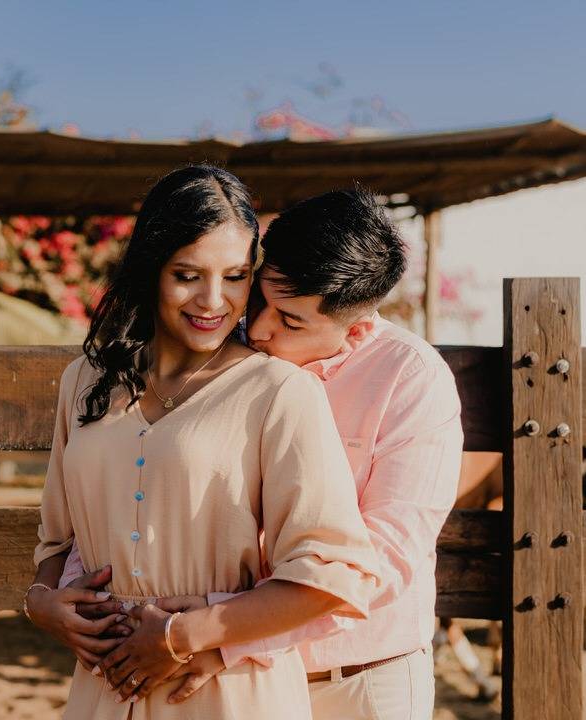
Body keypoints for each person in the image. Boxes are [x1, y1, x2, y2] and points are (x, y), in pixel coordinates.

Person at [54, 188, 464, 720]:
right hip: (219, 673)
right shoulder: (224, 351)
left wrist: (221, 635)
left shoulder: (411, 379)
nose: (261, 328)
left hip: (356, 676)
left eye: (290, 322)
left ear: (356, 330)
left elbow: (383, 560)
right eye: (259, 299)